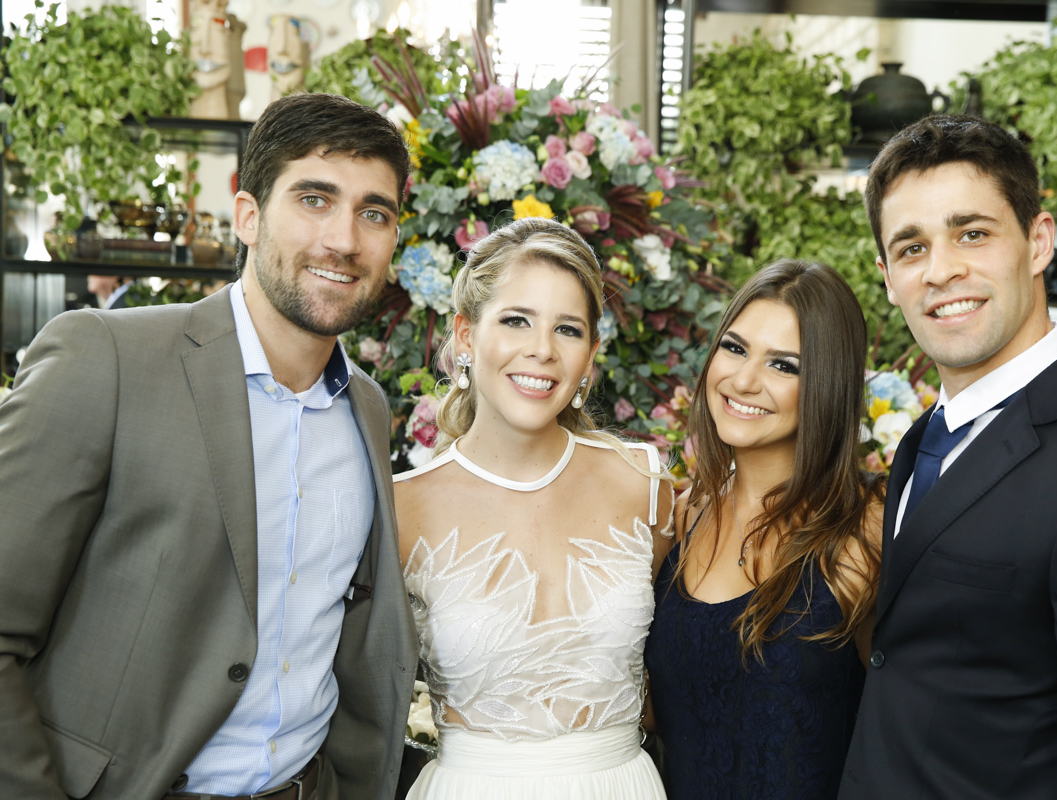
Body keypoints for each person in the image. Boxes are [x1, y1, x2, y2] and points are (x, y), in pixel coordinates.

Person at [0, 92, 418, 800]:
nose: (345, 240)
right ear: (248, 216)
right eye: (314, 198)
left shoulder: (367, 410)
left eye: (373, 213)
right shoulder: (105, 359)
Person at [838, 115, 1057, 799]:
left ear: (1038, 242)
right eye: (912, 248)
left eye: (972, 233)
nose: (942, 270)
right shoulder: (924, 437)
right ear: (887, 278)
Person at [392, 217, 675, 799]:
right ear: (466, 336)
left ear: (591, 353)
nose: (542, 350)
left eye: (567, 329)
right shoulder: (402, 508)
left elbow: (680, 667)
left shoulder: (643, 482)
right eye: (517, 320)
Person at [645, 259, 883, 799]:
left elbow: (912, 723)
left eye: (784, 365)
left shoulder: (865, 525)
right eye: (734, 348)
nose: (744, 380)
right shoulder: (682, 515)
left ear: (826, 383)